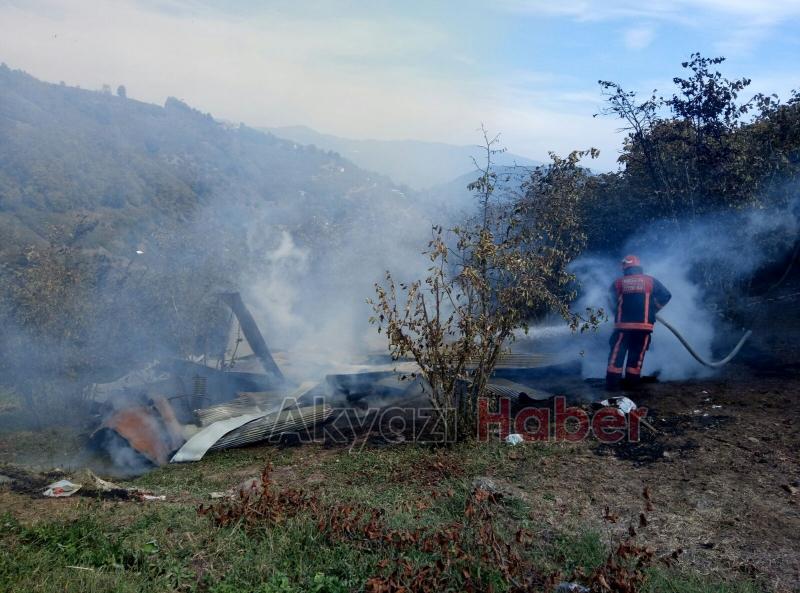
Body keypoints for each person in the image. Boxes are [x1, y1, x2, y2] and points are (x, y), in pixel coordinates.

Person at [606, 255, 671, 390]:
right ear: (638, 267)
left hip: (622, 327)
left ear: (625, 268)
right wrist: (653, 309)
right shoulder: (650, 281)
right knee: (637, 355)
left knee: (617, 354)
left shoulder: (618, 283)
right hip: (644, 326)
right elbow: (666, 295)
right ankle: (631, 386)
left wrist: (616, 312)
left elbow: (610, 300)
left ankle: (612, 386)